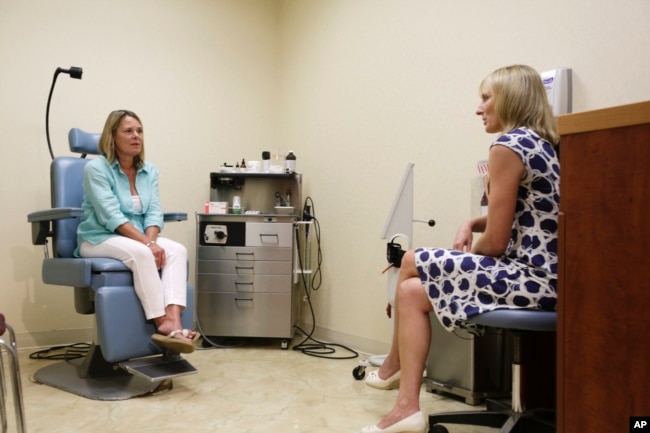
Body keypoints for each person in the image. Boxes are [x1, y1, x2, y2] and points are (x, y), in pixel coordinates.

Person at [361, 65, 560, 433]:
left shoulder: (508, 146)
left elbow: (497, 244)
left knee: (410, 259)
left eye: (486, 98)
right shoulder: (546, 145)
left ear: (511, 99)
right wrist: (472, 223)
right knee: (409, 290)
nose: (479, 108)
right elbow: (532, 213)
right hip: (552, 279)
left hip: (534, 281)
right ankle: (406, 405)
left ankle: (393, 369)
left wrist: (461, 260)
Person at [74, 109, 197, 354]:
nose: (136, 136)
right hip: (98, 237)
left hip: (137, 239)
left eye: (139, 131)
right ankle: (162, 324)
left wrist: (150, 241)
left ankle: (174, 319)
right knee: (141, 255)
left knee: (177, 251)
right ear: (112, 136)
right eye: (128, 131)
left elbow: (153, 212)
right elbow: (110, 216)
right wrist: (147, 245)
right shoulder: (96, 169)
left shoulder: (149, 170)